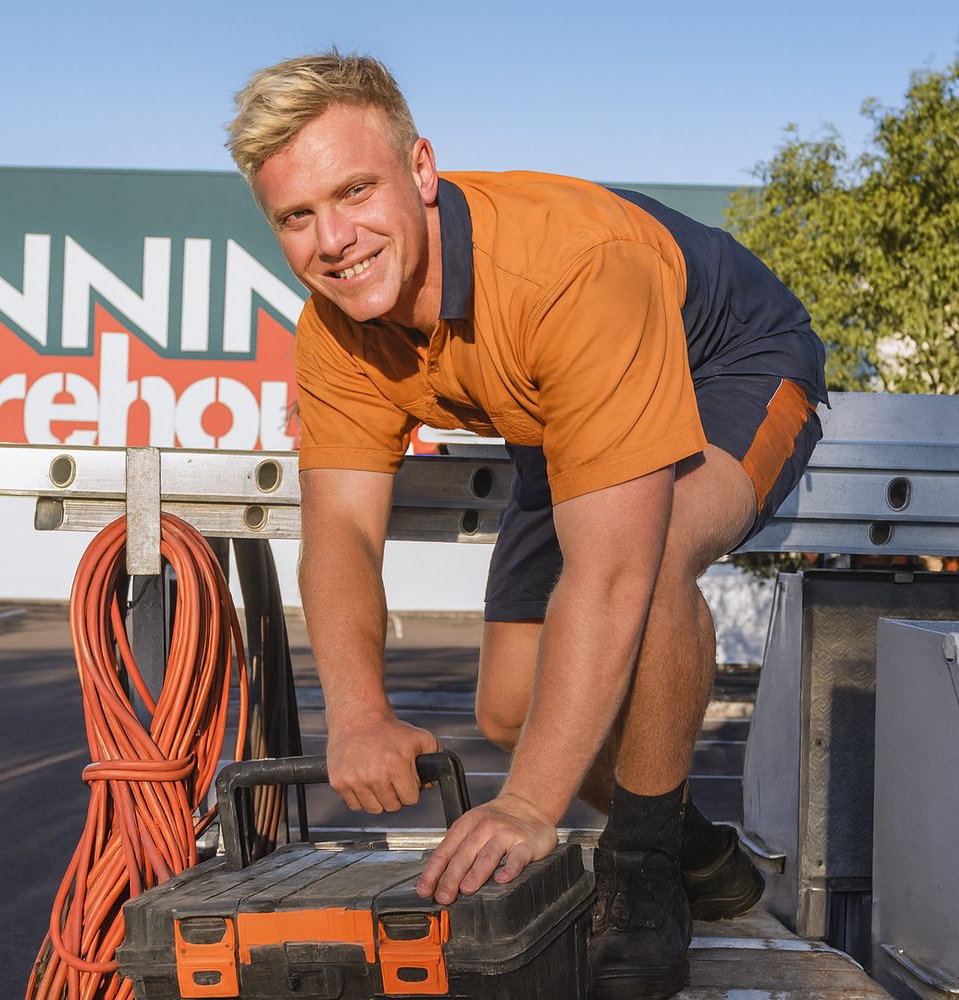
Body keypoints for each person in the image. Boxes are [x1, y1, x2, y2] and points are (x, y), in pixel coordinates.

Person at [226, 50, 827, 1000]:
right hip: (559, 408)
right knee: (513, 709)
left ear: (421, 171)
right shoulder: (333, 328)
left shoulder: (571, 268)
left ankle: (642, 872)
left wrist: (531, 807)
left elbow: (617, 576)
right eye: (297, 217)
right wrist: (358, 711)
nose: (333, 239)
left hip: (728, 361)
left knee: (654, 550)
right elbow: (339, 529)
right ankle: (686, 838)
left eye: (353, 191)